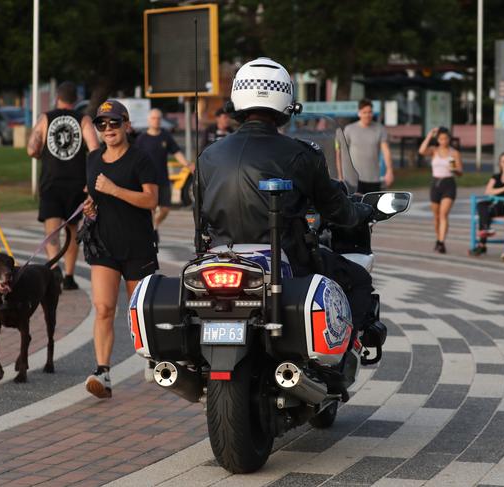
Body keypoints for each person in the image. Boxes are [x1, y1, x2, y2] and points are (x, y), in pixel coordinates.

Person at [197, 57, 377, 335]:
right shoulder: (302, 154)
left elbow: (198, 210)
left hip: (221, 258)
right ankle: (342, 354)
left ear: (237, 96)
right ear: (286, 100)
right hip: (288, 259)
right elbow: (338, 211)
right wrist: (364, 210)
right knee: (359, 279)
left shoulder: (208, 156)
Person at [82, 100, 159, 398]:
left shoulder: (142, 159)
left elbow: (151, 200)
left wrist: (114, 190)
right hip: (103, 243)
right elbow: (94, 197)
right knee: (103, 308)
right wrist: (90, 209)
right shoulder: (94, 159)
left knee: (139, 310)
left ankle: (153, 357)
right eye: (102, 124)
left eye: (114, 123)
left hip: (137, 245)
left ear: (127, 125)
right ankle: (103, 372)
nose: (108, 129)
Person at [27, 81, 99, 290]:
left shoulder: (45, 118)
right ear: (75, 100)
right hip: (76, 184)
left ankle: (53, 270)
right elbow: (94, 149)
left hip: (51, 182)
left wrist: (43, 153)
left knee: (51, 230)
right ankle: (69, 276)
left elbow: (32, 149)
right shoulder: (83, 119)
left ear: (57, 97)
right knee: (72, 230)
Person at [135, 109, 193, 245]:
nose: (156, 120)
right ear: (149, 120)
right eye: (154, 118)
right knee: (150, 209)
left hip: (163, 179)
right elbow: (135, 158)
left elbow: (177, 153)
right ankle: (150, 233)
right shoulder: (142, 139)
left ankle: (154, 226)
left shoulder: (165, 136)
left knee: (165, 209)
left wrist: (188, 164)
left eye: (158, 118)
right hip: (147, 181)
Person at [418, 126, 463, 254]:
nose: (444, 141)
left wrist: (454, 169)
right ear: (438, 139)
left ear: (449, 139)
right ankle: (438, 239)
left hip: (448, 183)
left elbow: (460, 172)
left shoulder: (454, 153)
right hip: (435, 184)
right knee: (436, 216)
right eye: (441, 138)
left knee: (443, 214)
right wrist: (429, 135)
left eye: (446, 138)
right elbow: (421, 151)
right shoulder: (434, 150)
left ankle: (441, 242)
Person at [469, 152, 504, 260]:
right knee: (481, 205)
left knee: (487, 211)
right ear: (499, 163)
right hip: (494, 202)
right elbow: (488, 191)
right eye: (503, 162)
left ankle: (482, 244)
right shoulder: (495, 176)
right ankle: (486, 230)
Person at [343, 98, 394, 194]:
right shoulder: (349, 129)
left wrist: (389, 171)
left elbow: (386, 151)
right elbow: (342, 153)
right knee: (355, 207)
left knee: (373, 207)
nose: (367, 115)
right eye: (364, 112)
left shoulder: (380, 129)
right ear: (359, 113)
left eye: (370, 112)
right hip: (353, 179)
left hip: (373, 178)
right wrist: (341, 174)